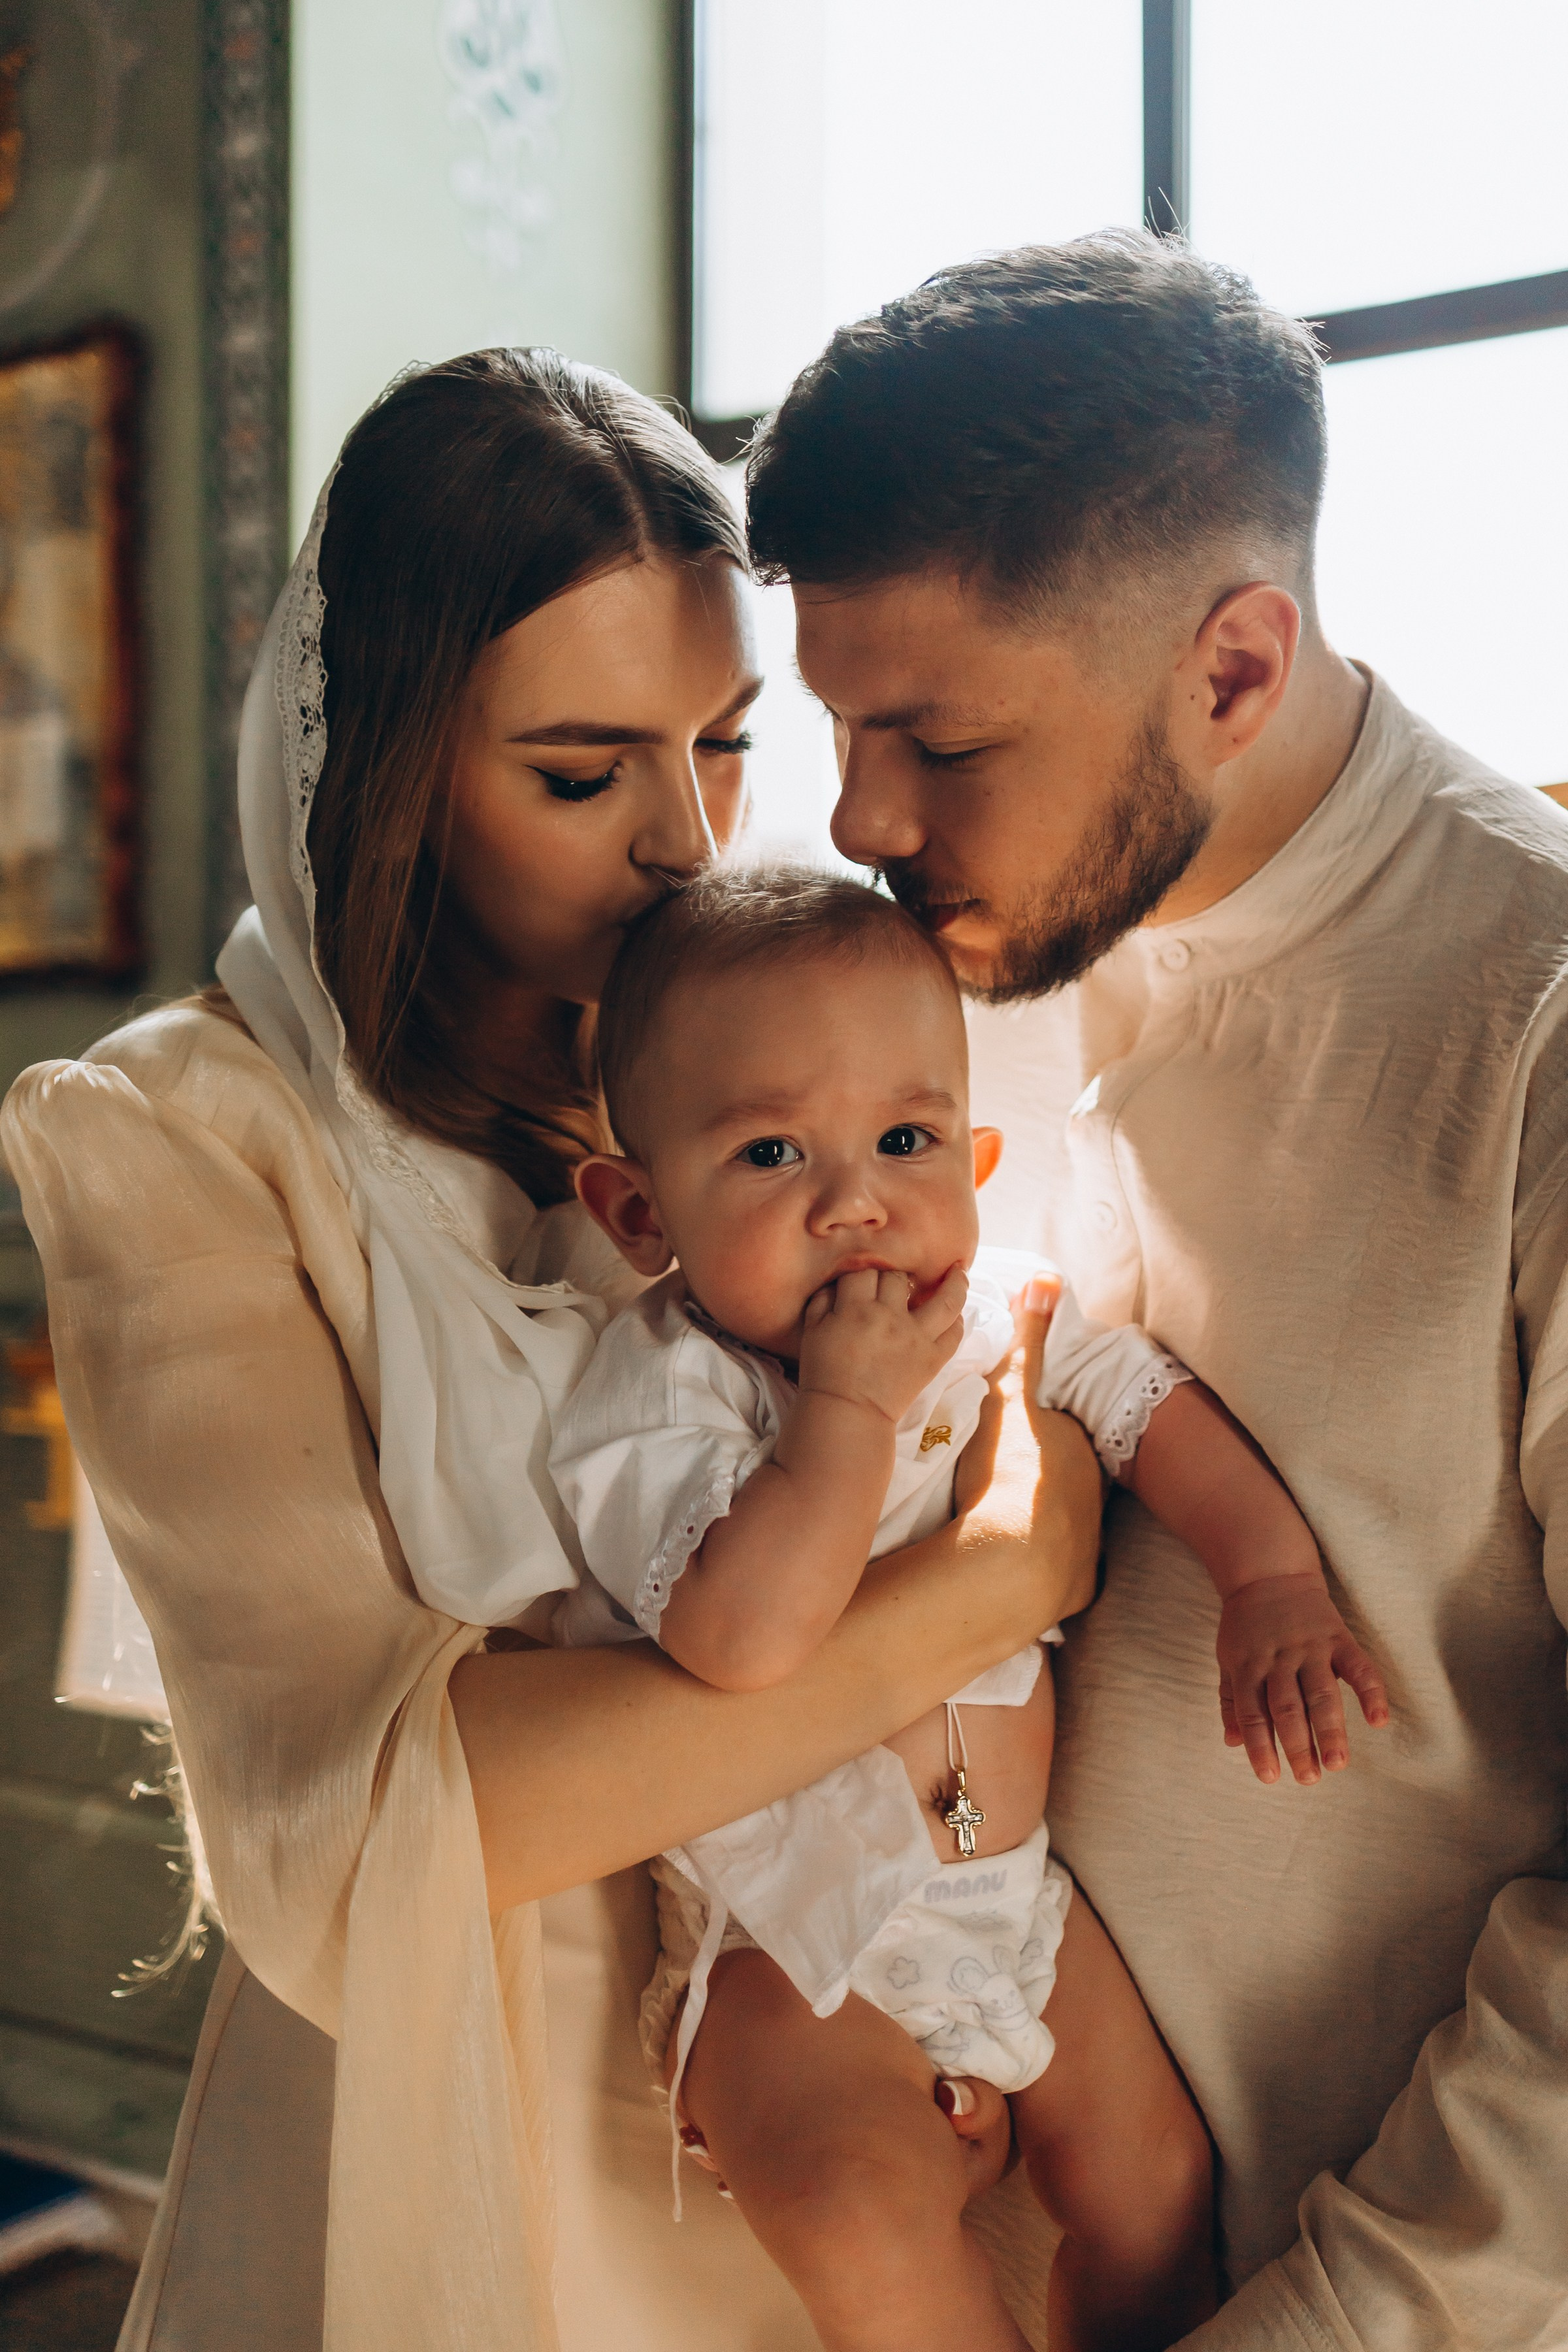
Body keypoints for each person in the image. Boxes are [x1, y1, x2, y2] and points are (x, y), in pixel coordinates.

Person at [0, 350, 1100, 2352]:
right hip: (461, 2142)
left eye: (729, 745)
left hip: (849, 2092)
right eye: (585, 774)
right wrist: (980, 1590)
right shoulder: (189, 1137)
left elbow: (1050, 1366)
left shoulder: (816, 1059)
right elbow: (366, 1819)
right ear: (399, 777)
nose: (687, 842)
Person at [744, 227, 1568, 2347]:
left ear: (1230, 668)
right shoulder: (902, 991)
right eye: (840, 728)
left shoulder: (1538, 1021)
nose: (857, 815)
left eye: (934, 736)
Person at [544, 862, 1387, 2352]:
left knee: (1157, 2183)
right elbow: (740, 1642)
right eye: (768, 1155)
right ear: (634, 1208)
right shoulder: (659, 1394)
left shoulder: (994, 1313)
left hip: (1016, 1909)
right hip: (792, 1952)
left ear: (976, 1158)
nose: (854, 1201)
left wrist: (1271, 1575)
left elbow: (1142, 1407)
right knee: (863, 2221)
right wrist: (847, 1420)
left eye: (905, 1138)